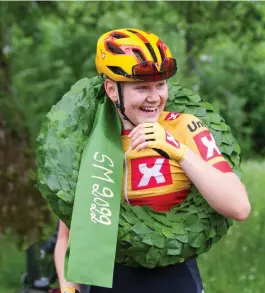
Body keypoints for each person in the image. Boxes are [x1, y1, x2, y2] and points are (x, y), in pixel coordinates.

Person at [55, 28, 251, 293]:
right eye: (142, 87)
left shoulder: (185, 127)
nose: (155, 97)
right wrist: (69, 289)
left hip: (176, 283)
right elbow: (68, 236)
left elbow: (239, 207)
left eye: (160, 84)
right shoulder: (91, 142)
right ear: (112, 89)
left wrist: (176, 150)